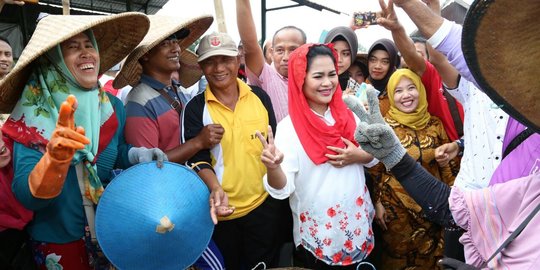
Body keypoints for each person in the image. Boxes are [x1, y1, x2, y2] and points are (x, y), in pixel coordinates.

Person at [344, 0, 539, 267]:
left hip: (482, 222)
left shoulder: (528, 142)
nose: (405, 95)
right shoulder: (475, 87)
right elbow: (452, 208)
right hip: (444, 213)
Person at [0, 13, 170, 269]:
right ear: (53, 59)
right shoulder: (33, 115)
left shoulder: (111, 106)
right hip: (59, 243)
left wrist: (136, 154)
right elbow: (27, 196)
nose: (86, 53)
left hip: (110, 232)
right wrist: (54, 163)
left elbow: (116, 151)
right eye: (72, 47)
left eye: (89, 45)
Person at [113, 15, 228, 270]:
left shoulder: (175, 90)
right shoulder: (139, 101)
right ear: (144, 55)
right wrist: (198, 142)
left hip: (186, 197)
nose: (176, 47)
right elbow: (148, 171)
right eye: (166, 43)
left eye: (176, 41)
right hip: (167, 207)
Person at [259, 43, 377, 269]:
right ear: (300, 79)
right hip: (320, 237)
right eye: (318, 76)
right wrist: (273, 167)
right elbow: (283, 190)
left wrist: (357, 155)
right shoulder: (289, 128)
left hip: (357, 226)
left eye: (332, 74)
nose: (327, 83)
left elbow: (375, 157)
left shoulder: (350, 114)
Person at [182, 32, 281, 269]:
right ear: (201, 67)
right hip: (222, 213)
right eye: (210, 61)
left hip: (264, 206)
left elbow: (273, 142)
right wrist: (215, 188)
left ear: (238, 60)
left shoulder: (260, 97)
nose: (218, 68)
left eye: (225, 59)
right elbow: (197, 160)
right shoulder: (195, 108)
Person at [367, 69, 457, 269]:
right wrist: (377, 203)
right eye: (398, 91)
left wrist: (454, 203)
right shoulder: (384, 127)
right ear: (391, 95)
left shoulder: (435, 124)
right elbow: (375, 170)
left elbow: (450, 167)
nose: (406, 95)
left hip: (434, 211)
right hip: (397, 212)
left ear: (421, 91)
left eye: (411, 88)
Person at [377, 0, 464, 141]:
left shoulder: (489, 80)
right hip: (449, 154)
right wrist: (397, 29)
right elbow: (415, 56)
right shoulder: (436, 75)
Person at [236, 0, 307, 122]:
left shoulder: (313, 79)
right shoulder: (265, 76)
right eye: (280, 50)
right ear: (271, 53)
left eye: (293, 50)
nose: (286, 57)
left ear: (305, 51)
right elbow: (250, 44)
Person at [366, 38, 400, 116]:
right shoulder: (361, 88)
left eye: (385, 62)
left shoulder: (399, 91)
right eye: (373, 60)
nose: (377, 66)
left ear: (392, 65)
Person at [323, 26, 358, 91]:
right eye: (333, 52)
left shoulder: (355, 90)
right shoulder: (311, 81)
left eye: (345, 54)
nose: (339, 60)